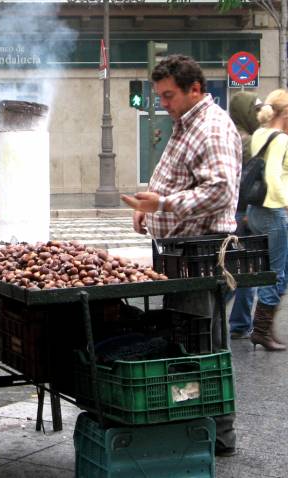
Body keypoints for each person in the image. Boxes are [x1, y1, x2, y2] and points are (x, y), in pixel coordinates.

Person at [121, 54, 241, 457]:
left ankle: (218, 436)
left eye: (169, 96)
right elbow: (175, 183)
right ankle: (196, 427)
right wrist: (148, 208)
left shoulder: (210, 127)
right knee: (188, 340)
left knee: (203, 343)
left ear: (195, 89)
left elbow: (221, 191)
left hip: (201, 252)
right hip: (179, 252)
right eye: (160, 96)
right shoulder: (184, 125)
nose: (164, 103)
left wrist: (164, 205)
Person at [246, 89, 288, 352]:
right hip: (273, 210)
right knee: (277, 274)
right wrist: (285, 202)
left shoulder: (259, 134)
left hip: (255, 210)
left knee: (273, 271)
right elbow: (273, 175)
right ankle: (261, 331)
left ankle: (263, 328)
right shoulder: (281, 138)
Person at [227, 92, 262, 339]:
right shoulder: (247, 141)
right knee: (246, 270)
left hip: (234, 211)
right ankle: (239, 324)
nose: (258, 116)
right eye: (255, 111)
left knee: (236, 269)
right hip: (243, 211)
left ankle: (238, 322)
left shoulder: (229, 135)